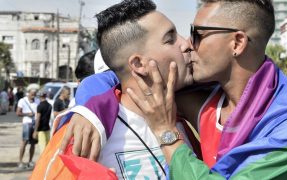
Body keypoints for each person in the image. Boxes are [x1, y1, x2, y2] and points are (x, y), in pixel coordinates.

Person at [59, 0, 287, 179]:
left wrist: (167, 133)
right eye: (177, 36)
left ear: (237, 42)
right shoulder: (207, 92)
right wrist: (90, 108)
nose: (188, 44)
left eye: (198, 34)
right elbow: (121, 74)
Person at [30, 0, 198, 179]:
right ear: (138, 64)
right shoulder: (82, 134)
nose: (186, 44)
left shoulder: (187, 113)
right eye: (170, 39)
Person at [16, 86, 40, 169]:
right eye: (32, 94)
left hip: (35, 124)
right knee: (24, 142)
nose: (34, 95)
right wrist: (27, 114)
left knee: (33, 143)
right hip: (26, 124)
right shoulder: (22, 101)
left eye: (35, 94)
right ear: (28, 93)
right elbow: (18, 113)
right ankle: (20, 161)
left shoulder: (37, 100)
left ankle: (30, 161)